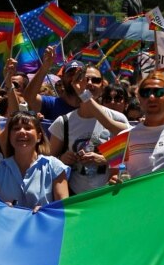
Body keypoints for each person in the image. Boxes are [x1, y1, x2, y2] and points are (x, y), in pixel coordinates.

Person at [48, 66, 130, 195]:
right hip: (74, 196)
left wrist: (104, 159)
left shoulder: (117, 118)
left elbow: (128, 158)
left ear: (103, 86)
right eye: (85, 79)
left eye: (95, 80)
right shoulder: (63, 122)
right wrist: (61, 159)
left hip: (109, 194)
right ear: (75, 84)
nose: (89, 83)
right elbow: (49, 162)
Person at [0, 111, 69, 211]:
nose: (21, 131)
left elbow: (64, 209)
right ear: (10, 137)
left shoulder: (55, 167)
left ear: (39, 137)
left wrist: (47, 211)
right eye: (16, 129)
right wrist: (1, 209)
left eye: (28, 128)